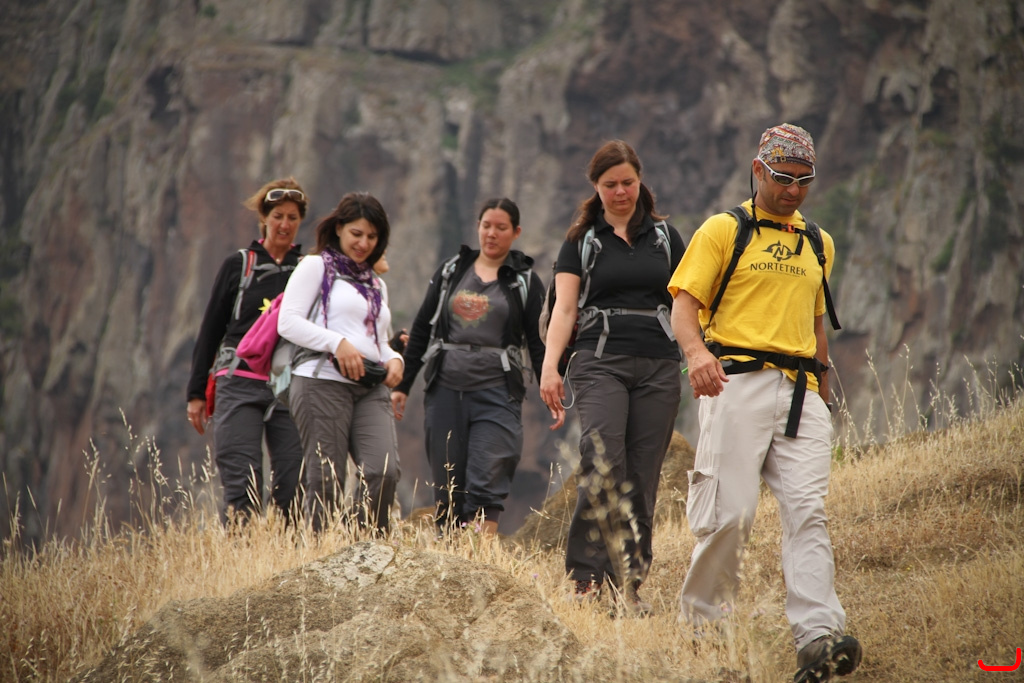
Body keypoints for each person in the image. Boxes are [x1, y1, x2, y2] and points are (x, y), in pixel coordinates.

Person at [668, 123, 861, 681]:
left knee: (808, 512)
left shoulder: (818, 242)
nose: (793, 190)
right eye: (782, 177)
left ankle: (818, 636)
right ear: (758, 170)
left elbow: (817, 323)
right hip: (736, 384)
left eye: (804, 180)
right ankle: (703, 631)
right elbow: (684, 308)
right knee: (730, 515)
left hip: (801, 393)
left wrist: (823, 392)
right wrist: (696, 356)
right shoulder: (723, 230)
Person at [538, 141, 684, 614]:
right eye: (610, 185)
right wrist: (550, 367)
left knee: (642, 478)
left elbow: (688, 302)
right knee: (603, 465)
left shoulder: (666, 237)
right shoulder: (581, 240)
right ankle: (585, 579)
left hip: (659, 365)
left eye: (628, 182)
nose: (620, 192)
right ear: (596, 187)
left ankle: (628, 586)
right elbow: (564, 309)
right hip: (599, 361)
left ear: (640, 181)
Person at [392, 198, 545, 536]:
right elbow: (422, 328)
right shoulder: (452, 271)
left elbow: (537, 342)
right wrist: (403, 385)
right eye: (486, 226)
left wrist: (551, 385)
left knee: (488, 476)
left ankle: (478, 555)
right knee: (448, 485)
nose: (492, 233)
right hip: (445, 389)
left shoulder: (524, 281)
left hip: (498, 393)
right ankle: (451, 555)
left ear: (516, 232)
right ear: (478, 227)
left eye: (501, 228)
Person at [277, 192, 403, 535]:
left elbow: (380, 340)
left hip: (369, 388)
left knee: (383, 471)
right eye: (356, 234)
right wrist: (337, 343)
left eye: (372, 237)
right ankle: (322, 552)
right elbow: (287, 322)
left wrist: (394, 359)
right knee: (325, 479)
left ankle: (363, 546)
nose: (364, 243)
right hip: (320, 381)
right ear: (338, 229)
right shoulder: (315, 266)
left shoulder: (376, 283)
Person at [186, 178, 307, 523]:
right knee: (242, 486)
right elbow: (211, 329)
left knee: (294, 485)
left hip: (289, 386)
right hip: (237, 381)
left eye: (293, 217)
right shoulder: (239, 265)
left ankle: (286, 553)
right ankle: (242, 549)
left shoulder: (308, 270)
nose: (284, 224)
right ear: (263, 218)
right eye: (278, 216)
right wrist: (196, 393)